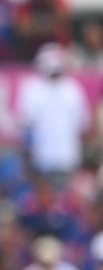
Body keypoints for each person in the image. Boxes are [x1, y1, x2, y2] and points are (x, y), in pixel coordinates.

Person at [19, 44, 90, 180]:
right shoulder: (33, 89)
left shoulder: (72, 89)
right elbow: (26, 125)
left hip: (67, 157)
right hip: (42, 159)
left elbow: (83, 124)